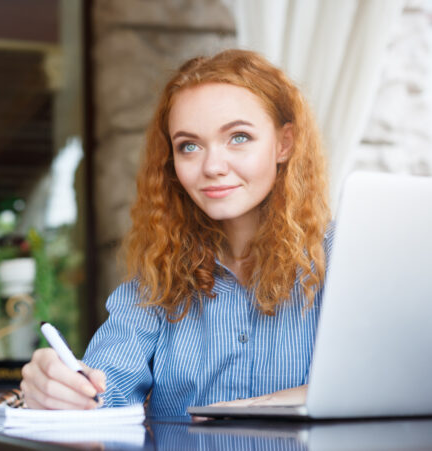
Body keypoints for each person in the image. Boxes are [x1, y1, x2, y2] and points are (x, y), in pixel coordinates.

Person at [20, 49, 333, 416]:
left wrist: (255, 405)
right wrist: (65, 391)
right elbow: (105, 387)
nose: (212, 166)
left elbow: (382, 380)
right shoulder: (158, 278)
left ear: (285, 143)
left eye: (239, 137)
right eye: (189, 146)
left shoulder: (343, 257)